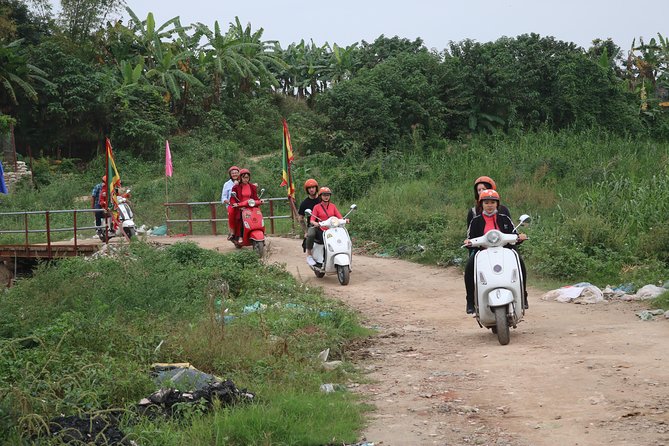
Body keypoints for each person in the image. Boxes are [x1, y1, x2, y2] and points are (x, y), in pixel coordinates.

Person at [463, 189, 528, 314]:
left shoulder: (504, 219)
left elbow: (513, 234)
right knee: (469, 267)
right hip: (482, 252)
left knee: (520, 262)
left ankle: (523, 296)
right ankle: (470, 301)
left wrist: (520, 237)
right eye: (486, 202)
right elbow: (470, 237)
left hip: (504, 251)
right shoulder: (475, 221)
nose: (489, 205)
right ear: (481, 204)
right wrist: (468, 242)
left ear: (497, 204)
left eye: (493, 202)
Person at [306, 187, 345, 266]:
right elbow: (312, 219)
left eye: (328, 195)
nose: (326, 197)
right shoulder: (316, 207)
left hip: (332, 229)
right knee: (310, 234)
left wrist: (345, 220)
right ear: (320, 196)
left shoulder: (333, 206)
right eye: (324, 195)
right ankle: (309, 255)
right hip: (321, 229)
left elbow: (339, 217)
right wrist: (315, 223)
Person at [230, 168, 260, 243]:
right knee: (241, 219)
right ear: (240, 177)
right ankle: (240, 236)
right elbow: (232, 198)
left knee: (257, 217)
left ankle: (259, 231)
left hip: (251, 207)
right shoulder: (236, 187)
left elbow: (255, 197)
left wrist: (259, 201)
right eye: (244, 177)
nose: (245, 179)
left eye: (247, 177)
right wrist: (234, 203)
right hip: (240, 207)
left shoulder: (252, 187)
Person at [298, 178, 321, 253]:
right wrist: (305, 231)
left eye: (313, 187)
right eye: (309, 188)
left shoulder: (322, 199)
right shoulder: (304, 203)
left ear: (316, 188)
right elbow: (301, 219)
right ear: (307, 190)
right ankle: (309, 254)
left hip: (325, 224)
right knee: (310, 235)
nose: (311, 189)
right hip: (313, 226)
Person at [221, 166, 240, 240]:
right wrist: (229, 202)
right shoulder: (227, 184)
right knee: (231, 214)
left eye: (236, 173)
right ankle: (232, 232)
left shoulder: (242, 182)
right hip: (231, 205)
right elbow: (224, 197)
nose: (234, 174)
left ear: (239, 173)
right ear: (230, 174)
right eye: (233, 173)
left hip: (241, 204)